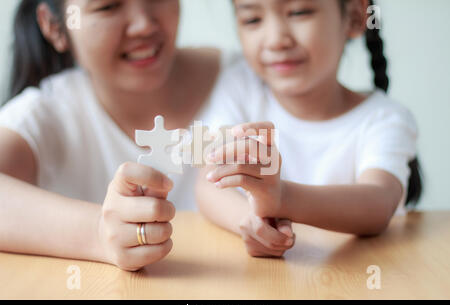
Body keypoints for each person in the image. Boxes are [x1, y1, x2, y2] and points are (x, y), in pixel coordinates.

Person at [0, 0, 224, 271]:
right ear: (54, 27)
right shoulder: (45, 114)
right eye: (107, 6)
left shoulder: (251, 81)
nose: (143, 25)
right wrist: (98, 232)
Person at [197, 0, 422, 258]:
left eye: (298, 12)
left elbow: (379, 201)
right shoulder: (239, 89)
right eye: (252, 20)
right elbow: (207, 182)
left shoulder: (384, 118)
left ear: (354, 17)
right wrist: (251, 221)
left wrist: (281, 198)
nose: (276, 40)